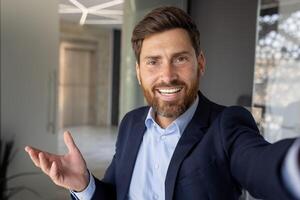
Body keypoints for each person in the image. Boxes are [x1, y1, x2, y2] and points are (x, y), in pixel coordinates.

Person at [25, 6, 300, 200]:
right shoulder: (131, 123)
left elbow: (263, 165)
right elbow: (114, 193)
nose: (167, 75)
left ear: (200, 63)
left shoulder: (226, 125)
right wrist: (84, 184)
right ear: (138, 71)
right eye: (153, 62)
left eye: (180, 58)